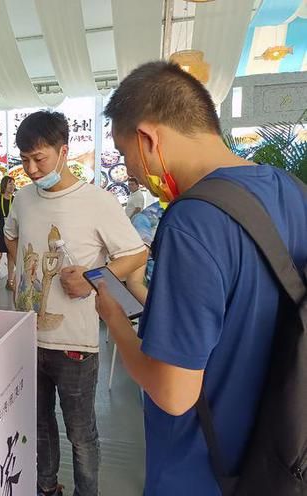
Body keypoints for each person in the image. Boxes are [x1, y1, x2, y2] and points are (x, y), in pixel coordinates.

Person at [73, 61, 306, 495]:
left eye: (126, 156)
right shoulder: (292, 190)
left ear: (148, 138)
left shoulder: (192, 220)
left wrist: (116, 320)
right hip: (283, 452)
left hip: (203, 469)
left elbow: (174, 393)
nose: (131, 171)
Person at [4, 111, 147, 496]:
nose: (32, 169)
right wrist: (18, 272)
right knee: (39, 424)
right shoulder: (21, 199)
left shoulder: (97, 201)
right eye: (24, 160)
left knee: (81, 433)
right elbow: (11, 234)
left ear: (63, 151)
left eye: (40, 158)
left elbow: (135, 254)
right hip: (28, 338)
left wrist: (91, 279)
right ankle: (47, 488)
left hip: (74, 345)